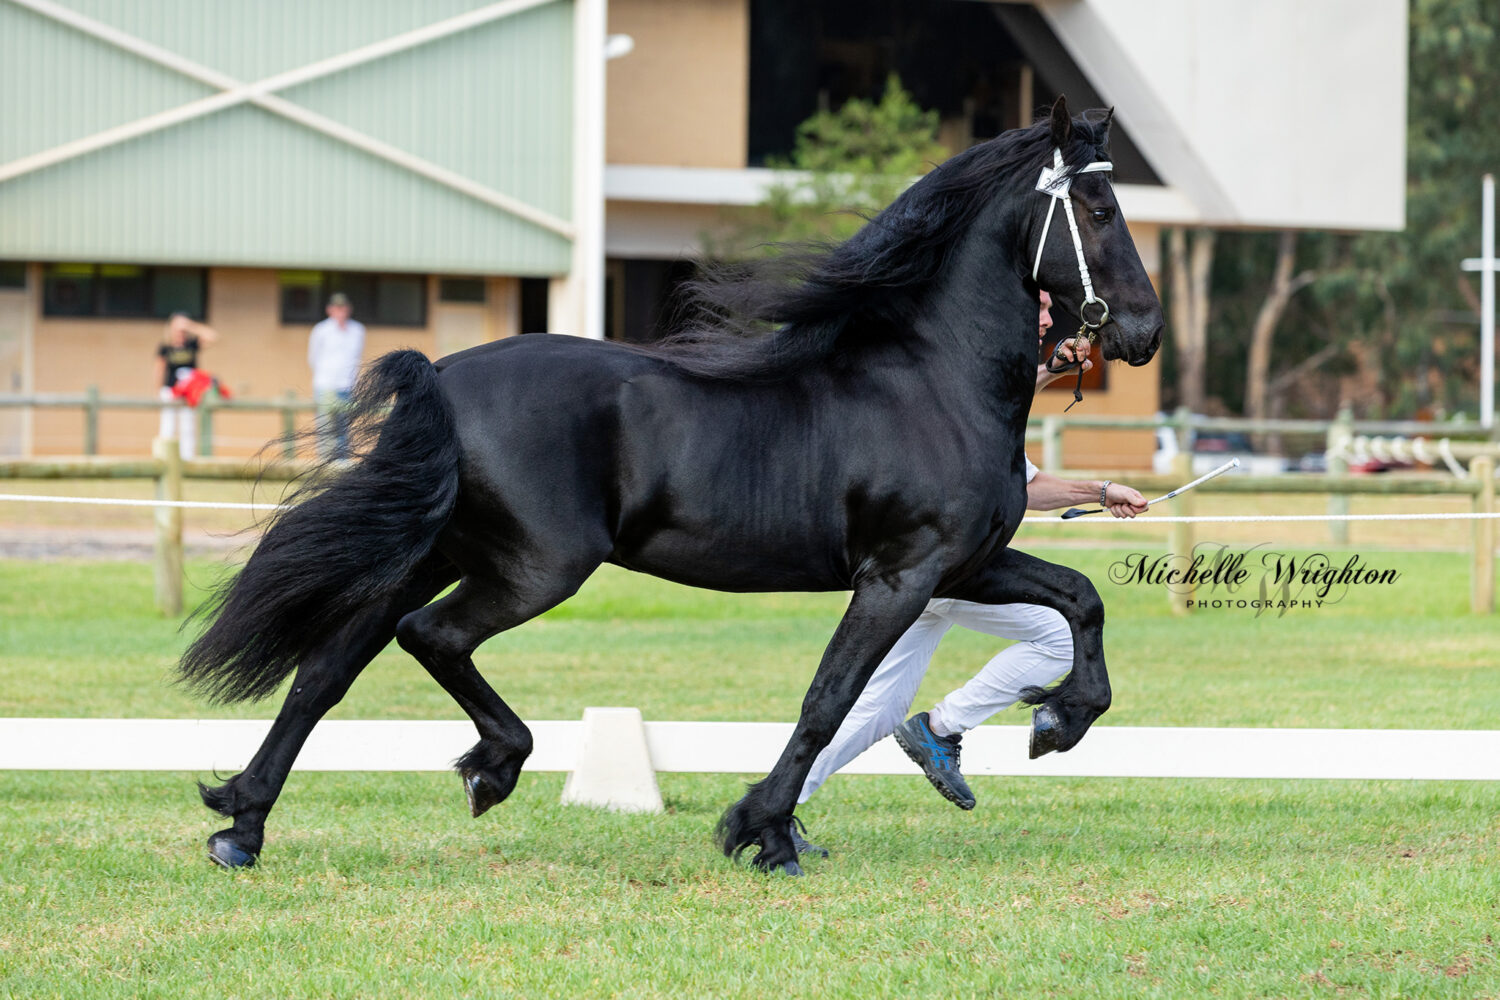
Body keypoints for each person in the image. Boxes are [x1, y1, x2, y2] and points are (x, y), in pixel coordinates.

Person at [793, 291, 1149, 844]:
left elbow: (1031, 488)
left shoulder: (984, 393)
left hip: (926, 571)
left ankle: (780, 801)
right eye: (1039, 306)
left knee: (877, 708)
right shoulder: (963, 385)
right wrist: (1051, 376)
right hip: (941, 563)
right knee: (1059, 635)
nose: (1049, 319)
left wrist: (1101, 490)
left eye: (1050, 309)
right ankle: (941, 728)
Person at [308, 292, 366, 460]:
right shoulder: (321, 330)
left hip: (347, 385)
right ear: (330, 310)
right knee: (325, 428)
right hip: (326, 385)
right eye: (337, 308)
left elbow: (357, 357)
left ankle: (342, 464)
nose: (340, 311)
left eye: (343, 307)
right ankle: (325, 462)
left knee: (344, 428)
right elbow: (313, 357)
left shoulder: (357, 330)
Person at [154, 313, 218, 461]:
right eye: (177, 328)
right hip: (170, 390)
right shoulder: (165, 347)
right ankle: (164, 458)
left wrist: (190, 325)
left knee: (188, 426)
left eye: (182, 329)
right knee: (167, 425)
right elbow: (159, 368)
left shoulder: (191, 344)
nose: (180, 332)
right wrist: (157, 390)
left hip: (189, 392)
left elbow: (213, 337)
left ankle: (187, 459)